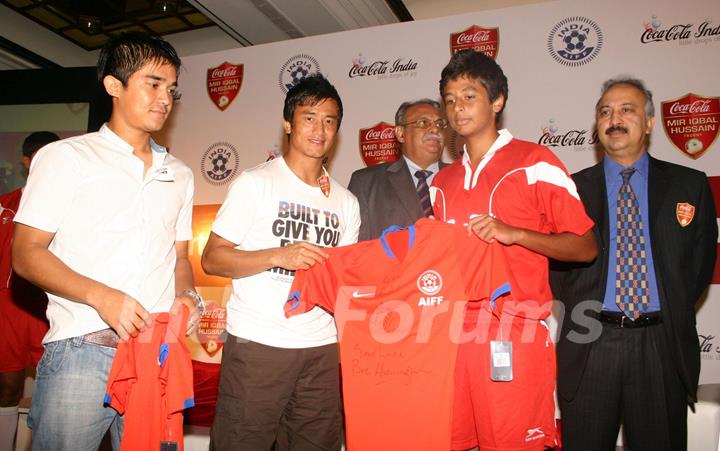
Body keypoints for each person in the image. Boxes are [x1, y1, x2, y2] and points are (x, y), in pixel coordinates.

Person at [11, 32, 201, 450]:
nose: (165, 99)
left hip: (156, 354)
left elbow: (180, 257)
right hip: (82, 349)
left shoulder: (181, 174)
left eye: (171, 89)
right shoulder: (66, 157)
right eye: (153, 84)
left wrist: (188, 296)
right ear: (114, 86)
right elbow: (24, 254)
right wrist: (102, 296)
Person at [431, 49, 597, 450]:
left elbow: (586, 247)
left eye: (469, 96)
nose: (458, 108)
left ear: (497, 100)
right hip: (452, 338)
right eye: (450, 100)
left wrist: (516, 234)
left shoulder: (535, 162)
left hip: (514, 333)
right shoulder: (442, 181)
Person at [550, 77, 718, 451]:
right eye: (605, 112)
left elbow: (699, 266)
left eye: (627, 109)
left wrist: (662, 308)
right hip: (591, 343)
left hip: (660, 347)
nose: (615, 119)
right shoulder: (570, 190)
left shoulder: (689, 185)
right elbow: (560, 273)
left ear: (649, 122)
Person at [202, 73, 360, 450]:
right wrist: (279, 255)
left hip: (322, 347)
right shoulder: (256, 183)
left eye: (329, 120)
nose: (319, 129)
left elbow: (345, 281)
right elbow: (212, 259)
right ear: (288, 123)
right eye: (309, 117)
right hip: (260, 344)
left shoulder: (346, 201)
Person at [0, 131, 58, 451]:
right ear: (26, 161)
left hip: (49, 309)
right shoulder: (4, 205)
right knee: (7, 389)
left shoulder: (70, 205)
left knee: (53, 390)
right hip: (7, 308)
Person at [348, 99, 446, 240]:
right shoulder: (366, 182)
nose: (435, 129)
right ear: (400, 134)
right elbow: (358, 250)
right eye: (423, 123)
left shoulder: (462, 178)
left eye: (440, 124)